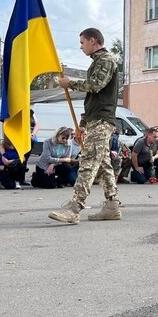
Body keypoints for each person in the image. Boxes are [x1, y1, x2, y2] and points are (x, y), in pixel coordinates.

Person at [49, 28, 122, 224]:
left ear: (93, 41)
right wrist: (83, 124)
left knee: (88, 163)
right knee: (104, 164)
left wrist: (69, 83)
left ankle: (74, 208)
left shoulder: (106, 60)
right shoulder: (97, 62)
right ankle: (112, 205)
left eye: (82, 43)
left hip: (102, 120)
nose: (81, 47)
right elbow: (93, 98)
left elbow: (95, 85)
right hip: (95, 119)